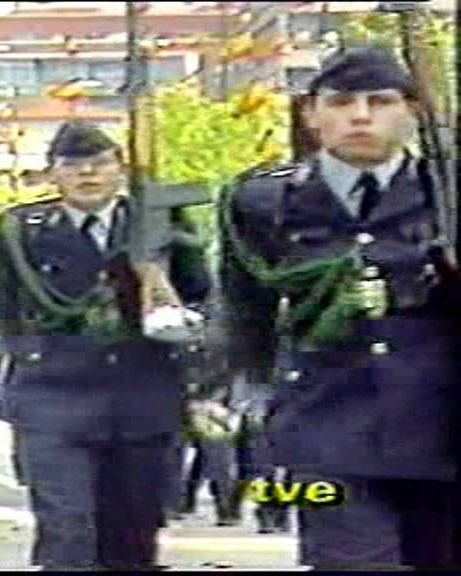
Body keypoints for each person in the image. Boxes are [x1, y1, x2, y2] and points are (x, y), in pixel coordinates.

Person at [218, 46, 461, 569]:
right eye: (342, 101)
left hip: (443, 425)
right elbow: (245, 309)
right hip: (325, 428)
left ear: (413, 111)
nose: (360, 115)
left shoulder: (446, 193)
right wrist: (244, 394)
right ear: (312, 113)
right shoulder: (263, 201)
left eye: (380, 101)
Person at [0, 121, 211, 569]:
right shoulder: (20, 230)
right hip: (55, 397)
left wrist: (156, 278)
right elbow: (4, 306)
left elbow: (200, 292)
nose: (88, 175)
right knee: (67, 529)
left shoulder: (159, 221)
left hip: (142, 394)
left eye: (100, 163)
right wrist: (28, 357)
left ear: (120, 171)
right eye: (73, 165)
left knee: (134, 533)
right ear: (54, 174)